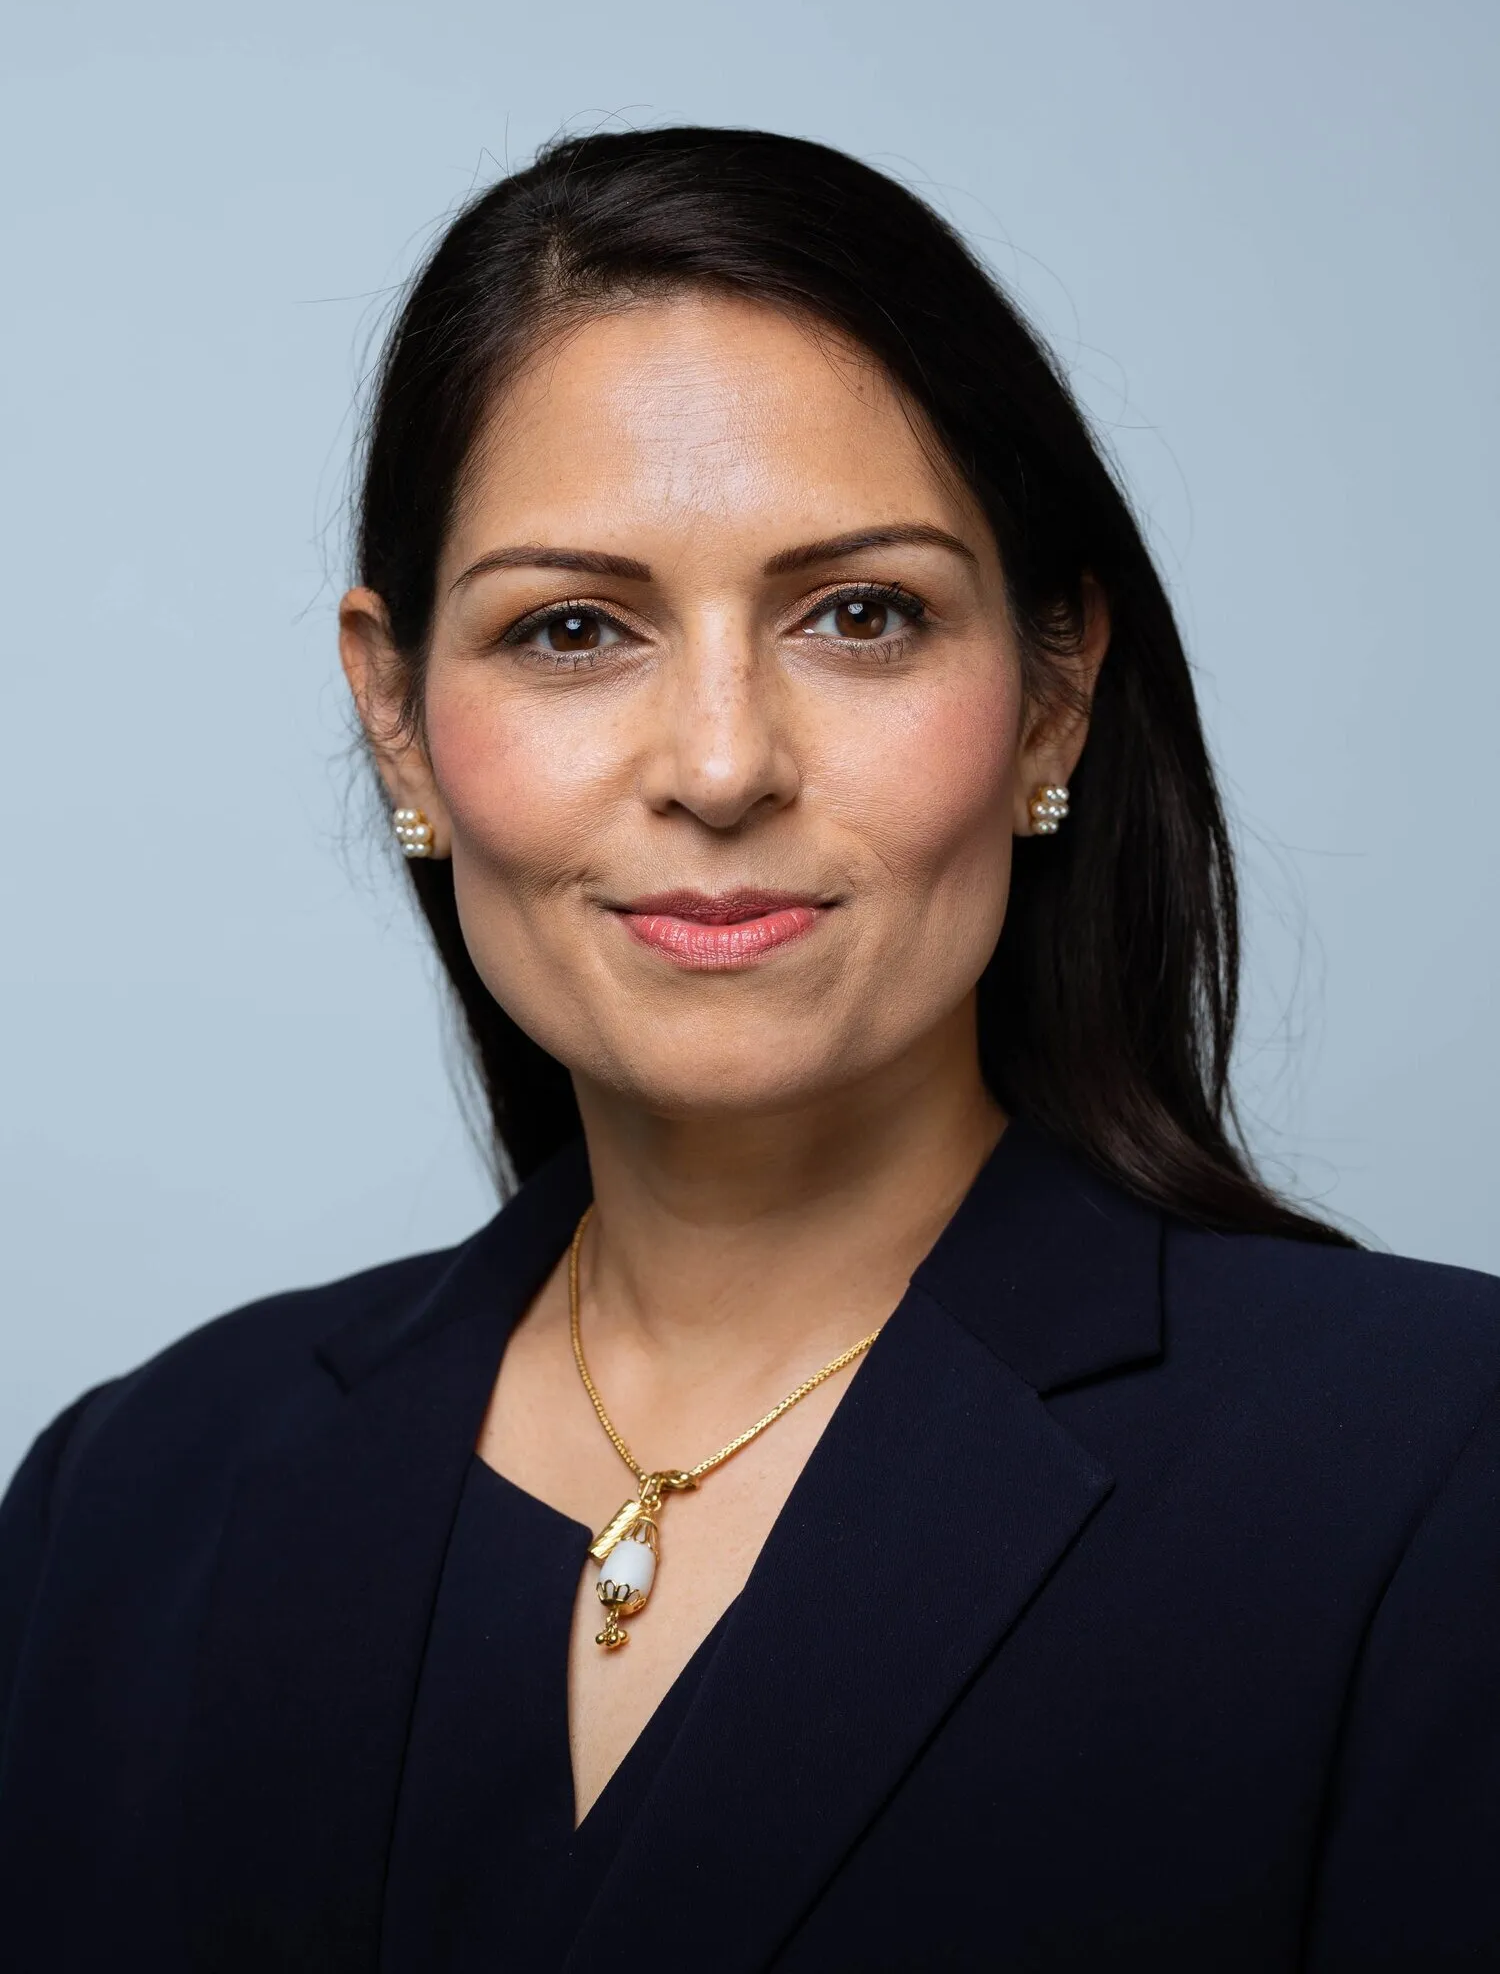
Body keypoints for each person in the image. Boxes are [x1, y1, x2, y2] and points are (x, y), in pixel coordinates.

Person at [1, 126, 1497, 1974]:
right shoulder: (128, 1507)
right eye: (572, 629)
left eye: (861, 616)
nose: (721, 765)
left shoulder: (1436, 1473)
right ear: (398, 723)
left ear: (1056, 690)